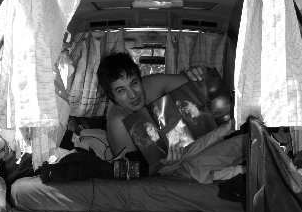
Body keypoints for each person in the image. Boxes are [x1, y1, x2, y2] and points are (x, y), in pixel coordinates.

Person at [97, 52, 246, 183]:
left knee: (223, 130)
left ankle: (240, 135)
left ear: (140, 79)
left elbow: (202, 82)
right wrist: (162, 163)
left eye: (134, 83)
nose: (132, 95)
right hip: (161, 167)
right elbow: (131, 173)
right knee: (196, 165)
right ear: (112, 96)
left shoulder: (152, 84)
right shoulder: (118, 122)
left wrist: (196, 72)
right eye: (121, 90)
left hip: (182, 143)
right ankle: (241, 155)